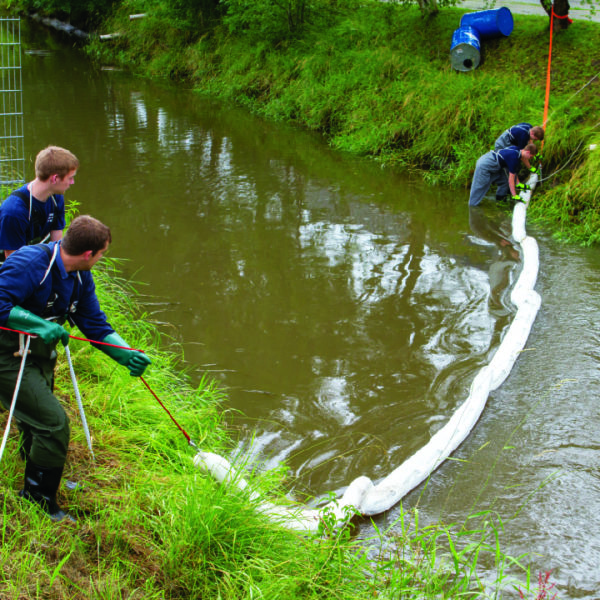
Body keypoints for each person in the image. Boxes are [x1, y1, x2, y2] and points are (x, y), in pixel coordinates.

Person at [0, 215, 151, 522]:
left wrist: (125, 355)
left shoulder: (81, 278)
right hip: (5, 354)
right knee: (53, 424)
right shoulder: (31, 263)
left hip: (39, 356)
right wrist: (38, 324)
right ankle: (39, 499)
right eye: (101, 254)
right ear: (88, 254)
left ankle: (35, 473)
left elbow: (94, 324)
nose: (100, 259)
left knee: (36, 420)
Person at [0, 146, 79, 259]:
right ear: (55, 178)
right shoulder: (14, 211)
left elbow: (57, 245)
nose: (72, 182)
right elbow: (14, 265)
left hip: (32, 259)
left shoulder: (56, 197)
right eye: (70, 178)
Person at [468, 143, 538, 207]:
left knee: (504, 181)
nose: (529, 159)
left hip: (495, 163)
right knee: (480, 186)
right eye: (531, 157)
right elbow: (511, 179)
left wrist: (518, 183)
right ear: (528, 152)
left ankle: (500, 200)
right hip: (486, 164)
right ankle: (472, 207)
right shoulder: (514, 158)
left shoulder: (517, 150)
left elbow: (514, 171)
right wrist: (514, 195)